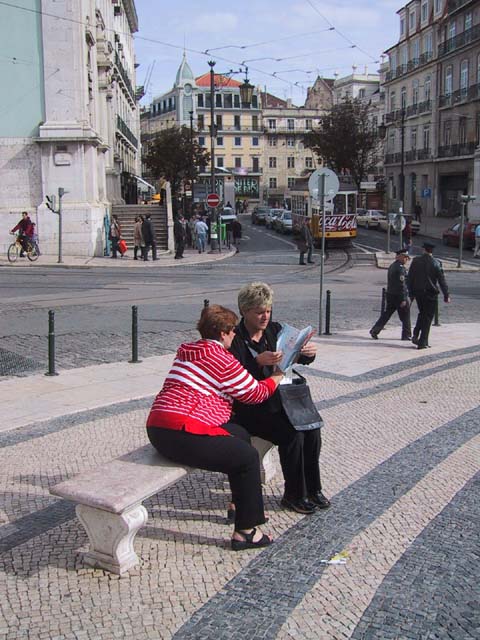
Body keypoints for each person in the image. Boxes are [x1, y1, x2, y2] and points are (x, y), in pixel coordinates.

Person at [146, 304, 284, 550]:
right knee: (247, 457)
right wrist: (276, 377)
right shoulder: (220, 358)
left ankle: (240, 505)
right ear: (223, 333)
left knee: (240, 434)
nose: (234, 335)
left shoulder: (187, 352)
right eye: (232, 331)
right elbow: (254, 393)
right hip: (181, 431)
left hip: (158, 428)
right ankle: (246, 532)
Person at [229, 282, 330, 515]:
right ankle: (294, 495)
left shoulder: (275, 330)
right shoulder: (235, 339)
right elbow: (232, 376)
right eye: (259, 312)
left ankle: (313, 489)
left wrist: (307, 353)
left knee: (312, 430)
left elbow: (295, 356)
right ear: (244, 311)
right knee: (292, 434)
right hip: (251, 408)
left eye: (268, 310)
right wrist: (256, 362)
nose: (265, 316)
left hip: (281, 401)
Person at [407, 242, 451, 350]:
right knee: (427, 318)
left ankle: (416, 333)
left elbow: (410, 278)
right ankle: (423, 342)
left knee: (422, 313)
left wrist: (410, 293)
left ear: (424, 250)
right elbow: (442, 281)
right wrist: (446, 295)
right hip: (430, 294)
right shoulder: (436, 263)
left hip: (418, 293)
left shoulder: (416, 261)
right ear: (432, 251)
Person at [370, 249, 412, 341]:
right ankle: (406, 335)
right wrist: (404, 298)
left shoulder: (392, 265)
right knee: (405, 315)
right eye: (405, 257)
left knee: (387, 314)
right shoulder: (400, 268)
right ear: (399, 256)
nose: (406, 259)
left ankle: (375, 330)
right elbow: (402, 284)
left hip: (390, 294)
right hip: (399, 296)